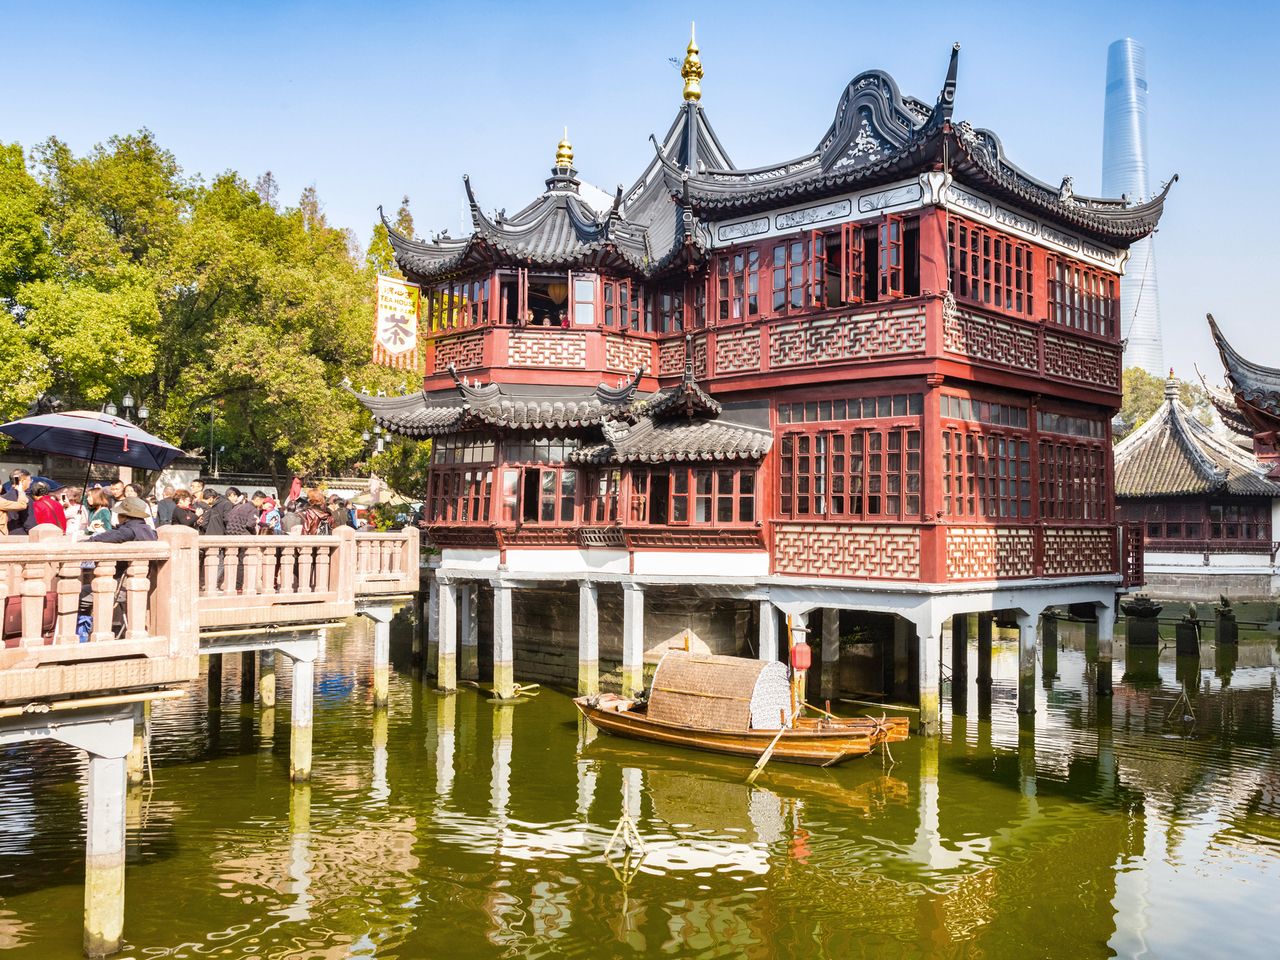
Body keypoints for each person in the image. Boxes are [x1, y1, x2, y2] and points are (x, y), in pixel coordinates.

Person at [87, 497, 157, 543]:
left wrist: (90, 540)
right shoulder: (150, 530)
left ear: (123, 516)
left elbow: (113, 536)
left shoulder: (128, 532)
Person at [3, 469, 32, 535]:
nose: (30, 482)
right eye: (29, 480)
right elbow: (30, 524)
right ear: (22, 481)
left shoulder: (2, 498)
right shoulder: (26, 499)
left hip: (4, 535)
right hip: (22, 537)